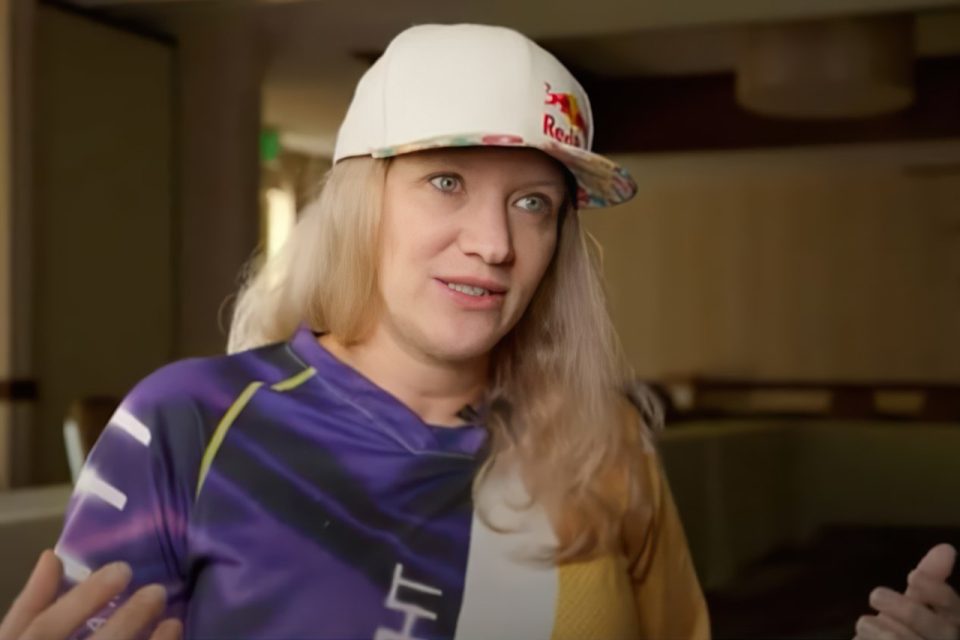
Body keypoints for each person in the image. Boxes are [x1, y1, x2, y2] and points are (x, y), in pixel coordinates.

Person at [0, 23, 957, 640]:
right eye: (447, 182)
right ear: (360, 204)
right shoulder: (185, 425)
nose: (494, 244)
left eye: (535, 203)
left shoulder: (607, 449)